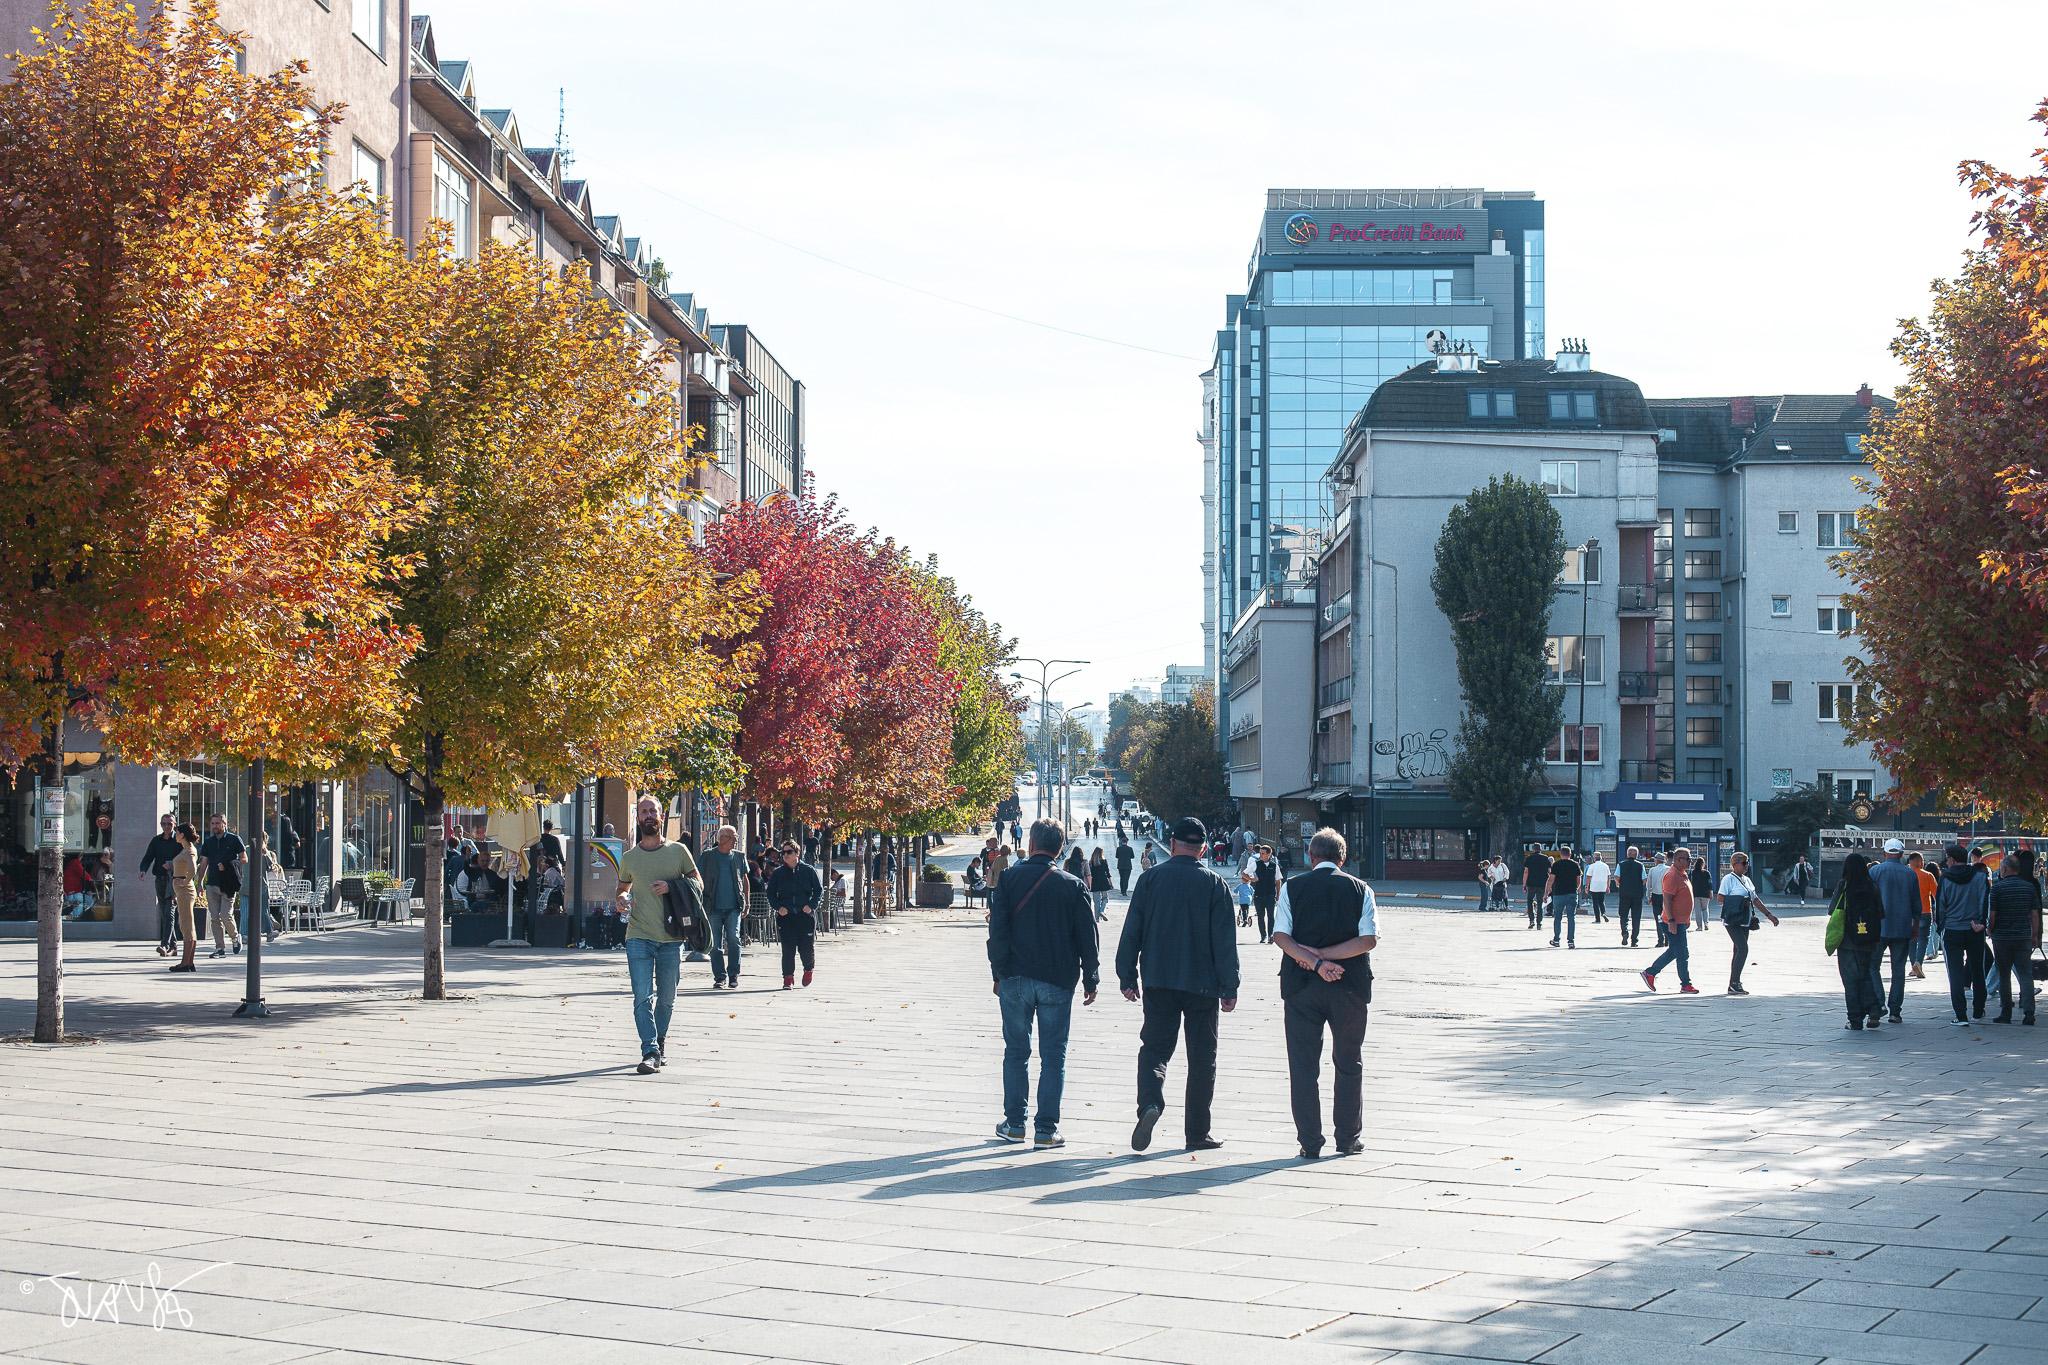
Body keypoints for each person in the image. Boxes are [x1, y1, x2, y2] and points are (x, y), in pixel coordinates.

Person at [1115, 816, 1239, 1153]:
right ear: (1202, 848)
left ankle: (1150, 1104)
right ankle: (1197, 1132)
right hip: (1203, 986)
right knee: (1202, 1058)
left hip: (1159, 980)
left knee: (1154, 1049)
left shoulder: (1151, 880)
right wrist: (1230, 987)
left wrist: (1127, 975)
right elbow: (1224, 942)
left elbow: (1132, 931)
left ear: (1171, 844)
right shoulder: (1215, 885)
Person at [987, 819, 1099, 1149]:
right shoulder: (1072, 884)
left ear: (1032, 843)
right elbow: (1087, 936)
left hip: (1015, 978)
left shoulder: (1009, 879)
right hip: (1057, 979)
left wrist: (998, 972)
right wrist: (1091, 977)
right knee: (1054, 1056)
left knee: (1016, 1052)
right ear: (1060, 847)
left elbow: (998, 931)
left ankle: (1015, 1123)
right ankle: (1047, 1129)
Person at [1270, 828, 1377, 1160]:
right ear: (1342, 859)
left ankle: (1310, 1142)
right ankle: (1347, 1138)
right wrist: (1329, 958)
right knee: (1348, 1062)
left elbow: (1281, 937)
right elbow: (1367, 940)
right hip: (1350, 986)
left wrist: (1315, 961)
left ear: (1310, 857)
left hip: (1301, 988)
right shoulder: (1362, 890)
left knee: (1303, 1066)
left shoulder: (1292, 887)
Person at [616, 808, 702, 1074]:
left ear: (661, 817)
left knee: (666, 999)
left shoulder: (678, 852)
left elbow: (698, 883)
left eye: (653, 810)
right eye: (644, 812)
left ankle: (660, 1042)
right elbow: (622, 888)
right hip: (638, 936)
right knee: (642, 997)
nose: (649, 815)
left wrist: (672, 886)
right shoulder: (629, 858)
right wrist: (620, 899)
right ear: (638, 819)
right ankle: (650, 1050)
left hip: (671, 937)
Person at [1933, 843, 1992, 1025]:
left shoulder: (1946, 879)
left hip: (1952, 929)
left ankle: (1960, 1015)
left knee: (1956, 973)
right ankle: (1978, 1010)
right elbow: (1985, 900)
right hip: (1975, 929)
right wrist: (1982, 923)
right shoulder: (1980, 877)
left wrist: (1940, 926)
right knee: (1978, 969)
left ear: (1951, 859)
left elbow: (1941, 905)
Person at [1868, 838, 1922, 1023]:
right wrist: (1915, 927)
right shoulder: (1910, 874)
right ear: (1901, 854)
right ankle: (1895, 1011)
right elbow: (1917, 904)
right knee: (1898, 970)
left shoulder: (1874, 871)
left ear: (1884, 853)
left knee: (1872, 966)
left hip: (1878, 929)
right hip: (1902, 927)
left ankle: (1879, 1003)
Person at [1986, 848, 2041, 1025]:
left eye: (2002, 867)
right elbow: (2034, 914)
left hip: (2002, 937)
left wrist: (1990, 930)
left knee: (2004, 974)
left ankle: (2006, 1012)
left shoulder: (1998, 888)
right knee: (2026, 974)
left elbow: (1992, 915)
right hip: (2023, 936)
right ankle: (2029, 1012)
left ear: (2006, 869)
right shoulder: (2029, 887)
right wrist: (2034, 935)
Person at [1833, 851, 1886, 1029]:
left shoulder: (1844, 885)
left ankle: (1855, 1020)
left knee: (1850, 981)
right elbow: (1881, 912)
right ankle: (1874, 1012)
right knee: (1865, 977)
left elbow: (1833, 909)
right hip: (1869, 940)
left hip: (1847, 941)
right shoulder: (1872, 886)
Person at [1717, 851, 1779, 995]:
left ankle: (1733, 983)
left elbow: (1755, 899)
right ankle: (1734, 982)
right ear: (1735, 864)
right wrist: (1739, 901)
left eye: (1747, 863)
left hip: (1745, 919)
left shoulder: (1747, 880)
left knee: (1738, 950)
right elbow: (1720, 898)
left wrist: (1769, 915)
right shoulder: (1728, 879)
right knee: (1743, 948)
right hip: (1732, 919)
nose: (1747, 866)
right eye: (1744, 863)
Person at [1640, 847, 1700, 994]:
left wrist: (1686, 918)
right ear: (1678, 860)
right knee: (1682, 953)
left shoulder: (1682, 874)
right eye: (1688, 859)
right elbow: (1667, 900)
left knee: (1675, 951)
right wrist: (1672, 920)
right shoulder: (1672, 875)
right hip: (1672, 921)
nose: (1690, 862)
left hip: (1680, 921)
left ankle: (1651, 973)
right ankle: (1685, 984)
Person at [767, 841, 823, 990]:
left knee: (806, 947)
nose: (785, 855)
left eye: (789, 852)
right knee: (788, 948)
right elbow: (770, 893)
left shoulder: (808, 870)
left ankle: (808, 969)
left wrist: (810, 906)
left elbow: (818, 891)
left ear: (797, 853)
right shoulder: (778, 873)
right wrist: (778, 907)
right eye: (783, 852)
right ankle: (788, 978)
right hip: (786, 917)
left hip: (805, 915)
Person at [699, 824, 749, 990]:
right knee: (715, 944)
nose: (736, 841)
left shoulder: (739, 857)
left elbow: (745, 879)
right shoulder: (707, 856)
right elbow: (697, 879)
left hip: (734, 906)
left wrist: (746, 902)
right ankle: (719, 977)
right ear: (722, 839)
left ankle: (733, 974)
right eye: (733, 837)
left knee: (734, 938)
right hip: (712, 906)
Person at [197, 813, 246, 958]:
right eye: (212, 823)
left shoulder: (234, 839)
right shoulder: (209, 842)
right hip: (212, 883)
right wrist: (200, 882)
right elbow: (204, 862)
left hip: (228, 883)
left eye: (217, 823)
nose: (215, 826)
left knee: (225, 915)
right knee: (214, 917)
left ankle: (235, 937)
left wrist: (228, 864)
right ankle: (220, 948)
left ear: (224, 824)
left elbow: (244, 858)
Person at [140, 813, 181, 957]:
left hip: (174, 880)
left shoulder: (179, 840)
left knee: (169, 912)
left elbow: (187, 860)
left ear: (174, 824)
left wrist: (173, 865)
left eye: (169, 824)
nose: (167, 827)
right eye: (164, 824)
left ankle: (164, 945)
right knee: (165, 913)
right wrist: (143, 870)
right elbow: (148, 857)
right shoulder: (156, 840)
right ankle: (174, 946)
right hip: (160, 879)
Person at [166, 823, 202, 973]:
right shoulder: (187, 849)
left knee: (186, 925)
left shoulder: (189, 850)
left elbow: (193, 868)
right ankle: (188, 962)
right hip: (182, 890)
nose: (175, 834)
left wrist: (185, 881)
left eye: (177, 832)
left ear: (183, 835)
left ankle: (185, 963)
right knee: (187, 925)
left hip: (185, 890)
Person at [1242, 844, 1283, 944]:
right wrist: (1252, 879)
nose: (1261, 855)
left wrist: (1278, 894)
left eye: (1263, 853)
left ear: (1269, 854)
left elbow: (1278, 881)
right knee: (1261, 916)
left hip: (1270, 894)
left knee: (1270, 916)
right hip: (1258, 895)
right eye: (1260, 853)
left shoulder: (1274, 866)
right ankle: (1263, 936)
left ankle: (1271, 935)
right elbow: (1244, 873)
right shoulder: (1256, 864)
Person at [1907, 851, 1938, 979]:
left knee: (1911, 940)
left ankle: (1913, 966)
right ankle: (1918, 963)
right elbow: (1937, 895)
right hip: (1925, 912)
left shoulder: (1905, 875)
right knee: (1923, 939)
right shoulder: (1928, 875)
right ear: (1919, 862)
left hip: (1909, 913)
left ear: (1910, 862)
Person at [1545, 845, 1582, 949]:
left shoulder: (1556, 865)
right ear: (1570, 854)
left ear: (1561, 854)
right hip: (1571, 894)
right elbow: (1578, 880)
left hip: (1558, 894)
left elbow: (1551, 879)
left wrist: (1547, 891)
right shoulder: (1575, 864)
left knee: (1557, 917)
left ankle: (1556, 939)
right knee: (1571, 917)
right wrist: (1576, 888)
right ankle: (1571, 941)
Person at [1616, 846, 1647, 948]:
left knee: (1623, 915)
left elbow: (1616, 876)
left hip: (1624, 893)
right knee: (1636, 917)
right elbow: (1644, 879)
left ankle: (1624, 932)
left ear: (1627, 854)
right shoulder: (1640, 865)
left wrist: (1619, 884)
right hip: (1637, 894)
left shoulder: (1621, 864)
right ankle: (1634, 940)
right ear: (1636, 855)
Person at [1521, 846, 1551, 929]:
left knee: (1530, 901)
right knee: (1540, 903)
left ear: (1533, 849)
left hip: (1531, 883)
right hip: (1542, 883)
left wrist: (1524, 884)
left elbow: (1526, 872)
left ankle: (1531, 920)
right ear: (1540, 849)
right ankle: (1539, 923)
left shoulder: (1529, 858)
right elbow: (1549, 872)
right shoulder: (1545, 858)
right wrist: (1550, 885)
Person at [1648, 852, 1669, 947]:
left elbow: (1649, 886)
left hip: (1656, 896)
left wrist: (1649, 897)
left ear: (1657, 860)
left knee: (1658, 918)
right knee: (1668, 918)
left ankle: (1660, 939)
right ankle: (1668, 939)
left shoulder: (1652, 870)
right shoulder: (1669, 869)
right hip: (1667, 896)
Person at [1688, 856, 1713, 933]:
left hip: (1695, 894)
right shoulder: (1706, 873)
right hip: (1705, 894)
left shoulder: (1692, 872)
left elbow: (1689, 883)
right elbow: (1710, 883)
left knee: (1697, 910)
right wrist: (1711, 892)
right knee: (1705, 909)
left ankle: (1699, 926)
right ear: (1703, 864)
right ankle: (1706, 923)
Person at [1087, 846, 1112, 923]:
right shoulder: (1104, 861)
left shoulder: (1091, 862)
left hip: (1095, 883)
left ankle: (1097, 918)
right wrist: (1110, 882)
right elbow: (1107, 873)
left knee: (1096, 901)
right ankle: (1102, 911)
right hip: (1103, 882)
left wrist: (1089, 885)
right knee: (1105, 898)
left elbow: (1089, 874)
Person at [1585, 852, 1611, 924]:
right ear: (1601, 858)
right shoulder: (1605, 866)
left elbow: (1588, 877)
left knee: (1595, 903)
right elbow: (1609, 877)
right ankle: (1603, 913)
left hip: (1594, 886)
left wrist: (1587, 886)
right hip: (1603, 886)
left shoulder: (1592, 866)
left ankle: (1598, 919)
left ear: (1594, 858)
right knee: (1602, 901)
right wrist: (1608, 886)